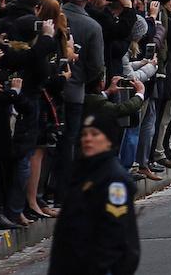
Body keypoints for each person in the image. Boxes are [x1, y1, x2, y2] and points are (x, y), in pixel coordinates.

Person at [46, 111, 140, 275]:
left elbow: (114, 235)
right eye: (85, 134)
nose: (88, 139)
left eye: (95, 134)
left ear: (109, 140)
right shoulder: (83, 173)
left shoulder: (114, 180)